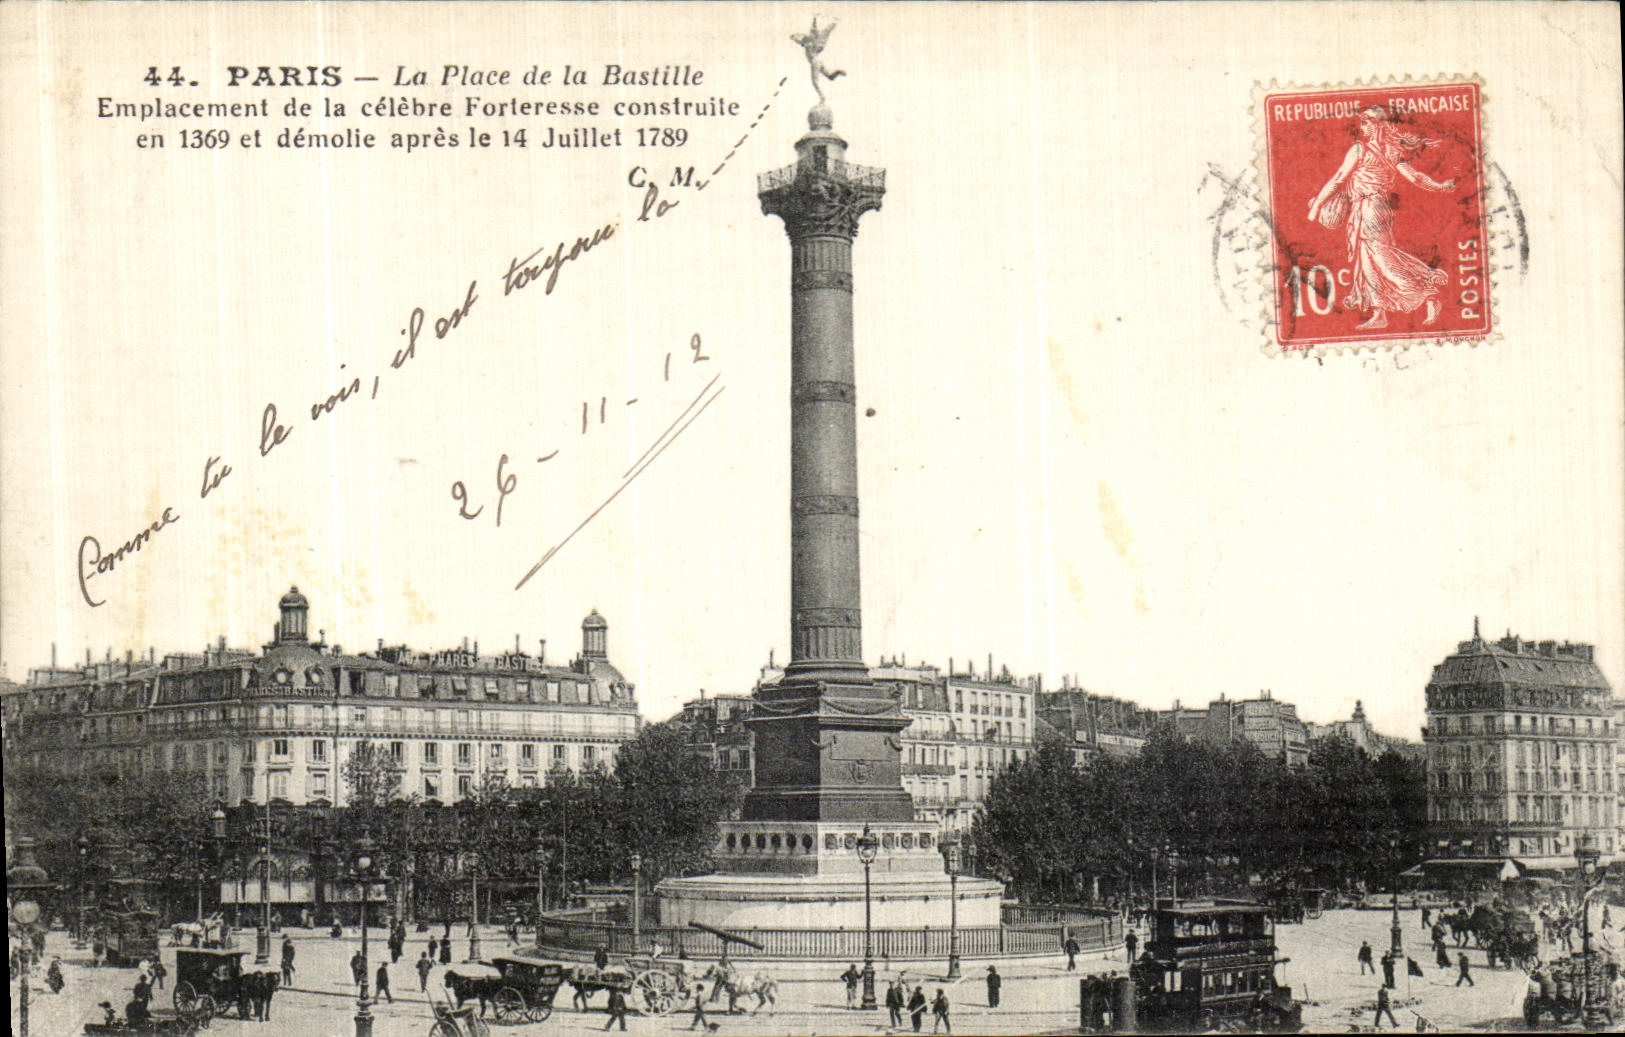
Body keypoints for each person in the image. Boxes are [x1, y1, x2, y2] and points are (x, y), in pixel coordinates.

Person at [1306, 106, 1457, 330]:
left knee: (1382, 261)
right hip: (1374, 209)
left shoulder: (1360, 149)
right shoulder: (1390, 151)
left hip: (1370, 208)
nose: (1362, 127)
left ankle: (1427, 294)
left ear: (1377, 126)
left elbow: (1339, 179)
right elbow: (1415, 177)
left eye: (1366, 123)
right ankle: (1380, 314)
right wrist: (1439, 187)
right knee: (1369, 262)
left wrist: (1317, 205)